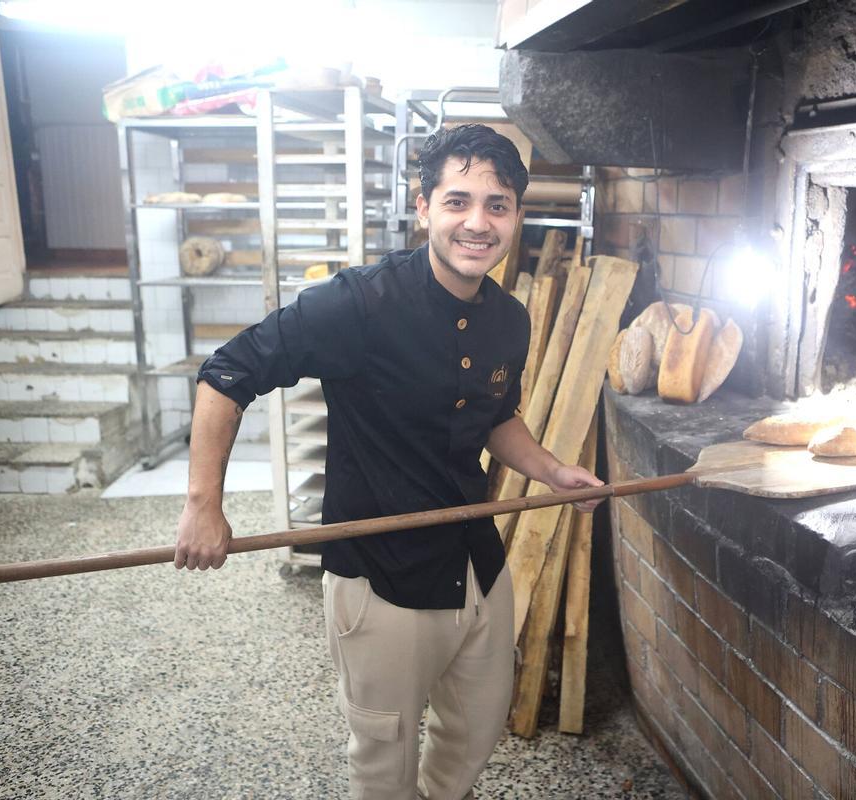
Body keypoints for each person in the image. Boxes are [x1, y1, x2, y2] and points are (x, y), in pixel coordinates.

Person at [174, 123, 604, 800]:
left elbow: (493, 416)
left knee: (475, 731)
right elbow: (227, 374)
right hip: (381, 577)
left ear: (517, 216)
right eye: (458, 201)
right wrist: (204, 506)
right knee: (384, 755)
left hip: (473, 563)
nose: (477, 222)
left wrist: (552, 472)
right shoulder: (357, 305)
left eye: (497, 205)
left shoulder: (508, 321)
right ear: (423, 205)